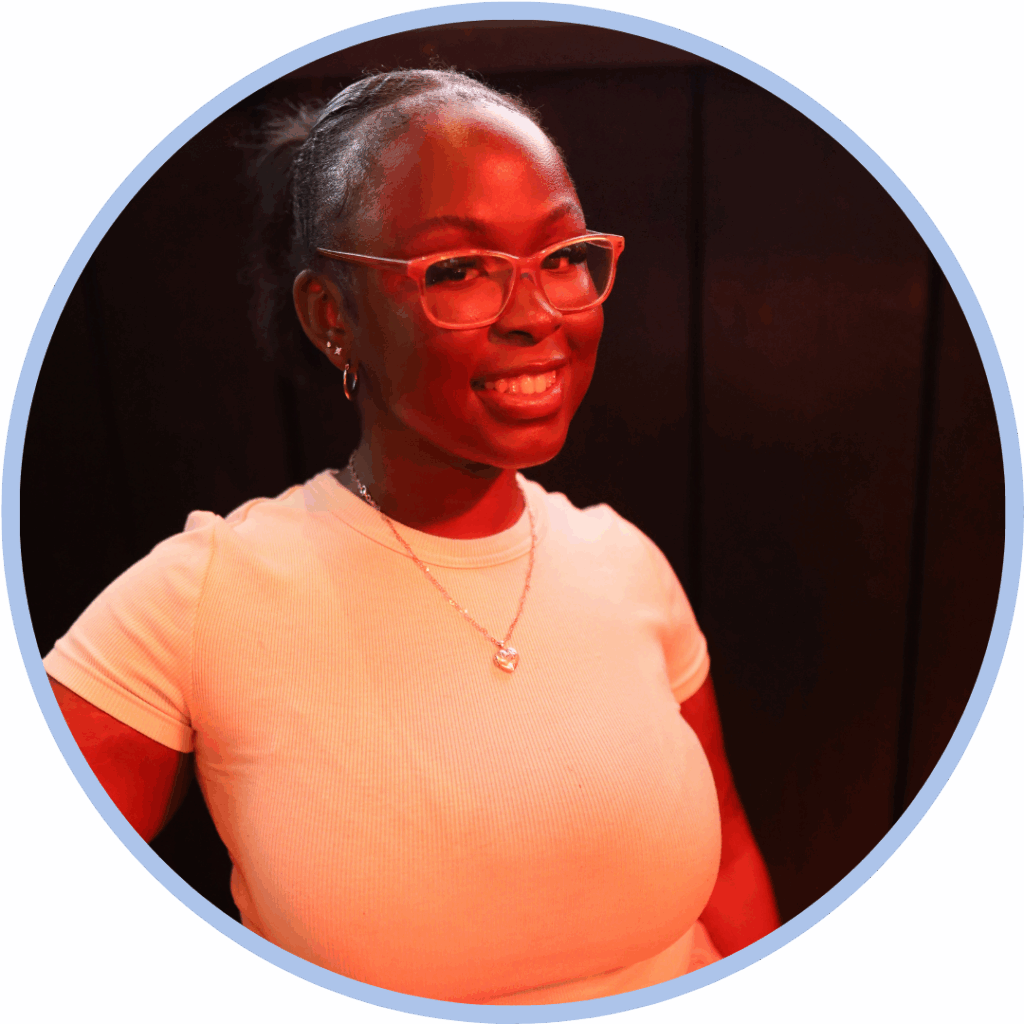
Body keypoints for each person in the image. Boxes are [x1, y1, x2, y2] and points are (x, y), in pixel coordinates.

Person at [45, 69, 779, 1004]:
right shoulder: (204, 599)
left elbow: (725, 856)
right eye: (458, 270)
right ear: (333, 317)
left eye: (562, 254)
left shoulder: (624, 562)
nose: (536, 314)